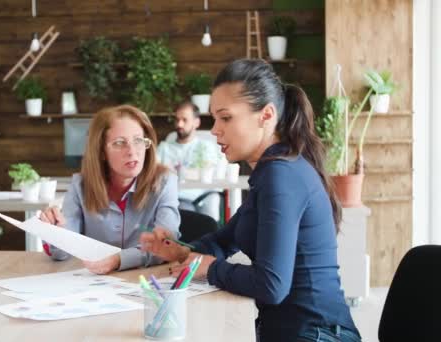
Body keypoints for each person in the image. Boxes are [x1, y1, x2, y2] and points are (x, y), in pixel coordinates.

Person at [140, 60, 361, 342]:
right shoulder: (271, 171)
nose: (216, 130)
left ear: (266, 115)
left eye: (226, 118)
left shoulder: (281, 175)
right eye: (214, 118)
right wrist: (181, 251)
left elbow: (271, 285)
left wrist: (211, 268)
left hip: (317, 334)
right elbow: (223, 241)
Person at [40, 105, 180, 275]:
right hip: (92, 286)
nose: (132, 151)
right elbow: (61, 254)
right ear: (101, 152)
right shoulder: (80, 186)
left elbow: (166, 245)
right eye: (120, 143)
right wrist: (55, 232)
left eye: (138, 140)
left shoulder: (165, 182)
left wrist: (118, 260)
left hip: (146, 282)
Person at [157, 101, 224, 221]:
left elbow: (215, 174)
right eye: (177, 119)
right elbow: (153, 173)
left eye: (184, 120)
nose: (179, 124)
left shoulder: (207, 147)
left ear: (196, 122)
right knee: (187, 218)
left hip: (205, 195)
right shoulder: (164, 148)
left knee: (209, 218)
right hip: (178, 197)